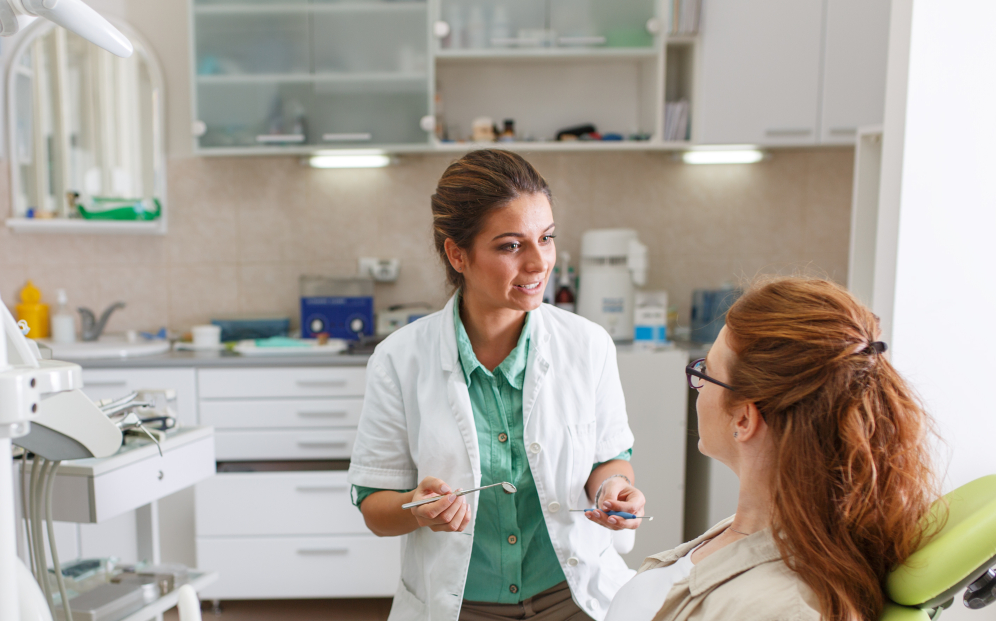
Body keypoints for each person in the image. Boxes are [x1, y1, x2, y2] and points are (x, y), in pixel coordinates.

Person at [349, 149, 643, 621]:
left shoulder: (588, 345)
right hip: (460, 606)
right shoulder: (399, 359)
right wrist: (415, 507)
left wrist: (613, 488)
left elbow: (610, 459)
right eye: (510, 246)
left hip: (574, 597)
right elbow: (374, 506)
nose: (538, 263)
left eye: (546, 239)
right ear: (457, 253)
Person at [603, 276, 938, 621]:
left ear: (744, 420)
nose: (698, 386)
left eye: (707, 371)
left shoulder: (781, 609)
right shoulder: (766, 526)